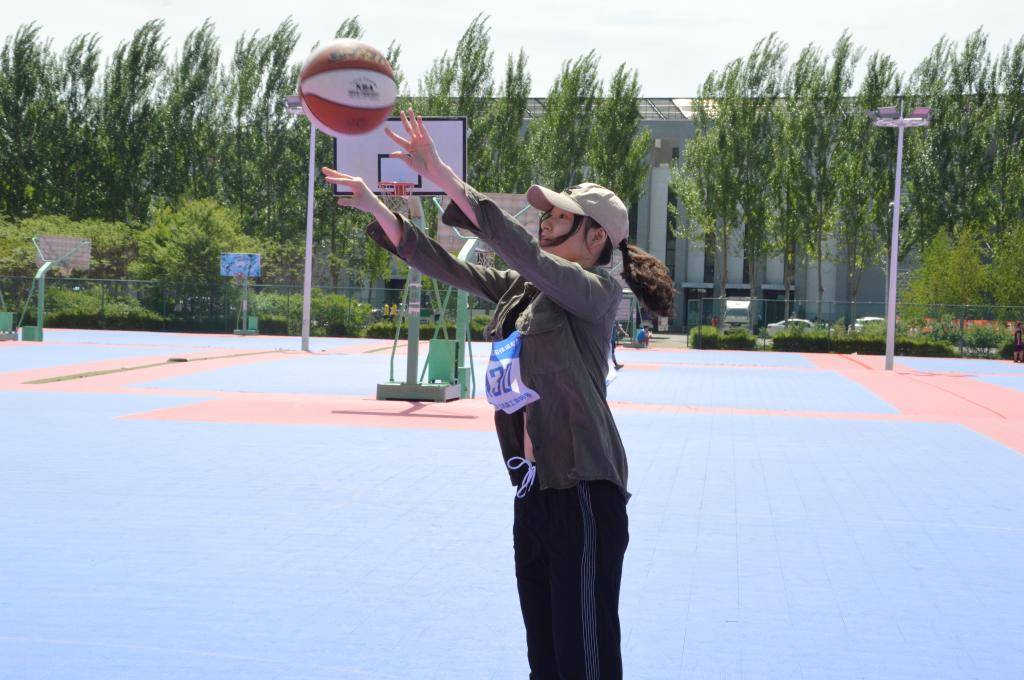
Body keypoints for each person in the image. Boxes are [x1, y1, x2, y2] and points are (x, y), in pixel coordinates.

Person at [322, 108, 675, 679]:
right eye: (546, 214)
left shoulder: (595, 292)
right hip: (534, 491)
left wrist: (439, 172)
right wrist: (376, 208)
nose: (545, 222)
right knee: (545, 662)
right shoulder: (527, 291)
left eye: (560, 216)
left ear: (595, 237)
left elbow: (521, 252)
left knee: (584, 662)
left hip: (585, 492)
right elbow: (450, 268)